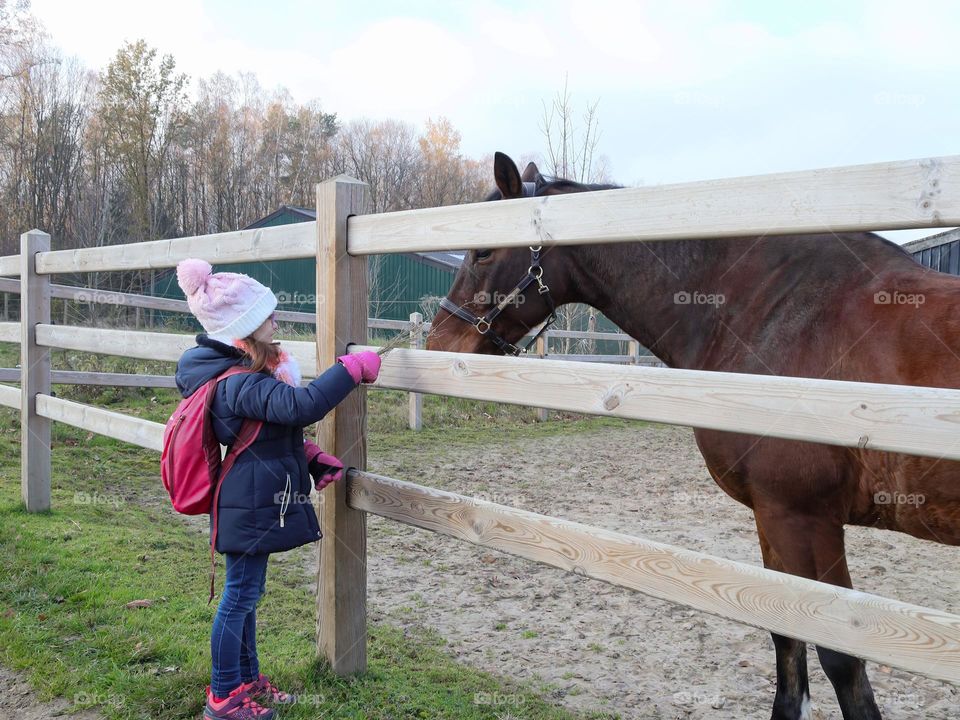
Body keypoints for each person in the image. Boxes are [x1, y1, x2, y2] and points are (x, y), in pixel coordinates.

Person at [173, 258, 380, 720]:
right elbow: (302, 406)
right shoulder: (238, 383)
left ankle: (246, 680)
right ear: (243, 329)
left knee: (247, 596)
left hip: (248, 500)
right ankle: (223, 698)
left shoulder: (241, 380)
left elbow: (265, 435)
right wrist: (349, 369)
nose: (276, 321)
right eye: (267, 316)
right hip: (247, 505)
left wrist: (311, 458)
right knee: (239, 600)